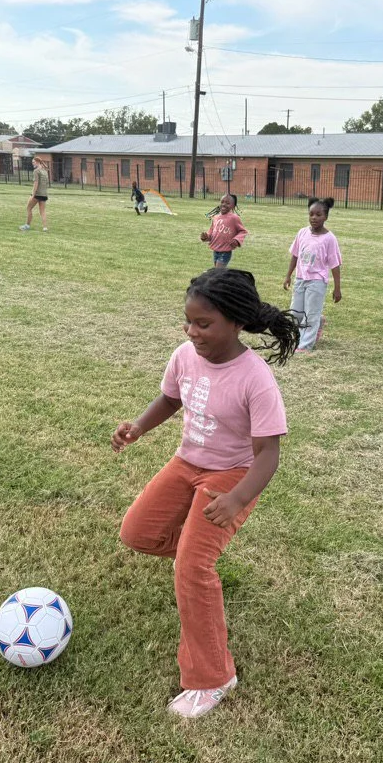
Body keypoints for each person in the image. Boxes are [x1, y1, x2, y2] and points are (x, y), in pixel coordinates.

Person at [112, 268, 299, 719]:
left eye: (203, 323)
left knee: (192, 566)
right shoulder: (184, 356)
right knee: (136, 533)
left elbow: (268, 454)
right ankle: (198, 567)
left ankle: (214, 677)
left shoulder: (254, 377)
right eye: (188, 321)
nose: (191, 331)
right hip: (187, 463)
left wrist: (237, 498)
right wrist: (138, 427)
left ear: (236, 322)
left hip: (233, 474)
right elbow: (170, 399)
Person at [282, 197, 342, 353]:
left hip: (317, 281)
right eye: (311, 214)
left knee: (311, 314)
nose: (314, 218)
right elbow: (295, 255)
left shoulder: (329, 238)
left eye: (318, 215)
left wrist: (337, 288)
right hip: (300, 278)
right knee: (295, 313)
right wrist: (288, 275)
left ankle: (305, 345)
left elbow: (335, 264)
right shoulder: (302, 233)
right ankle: (318, 323)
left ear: (326, 217)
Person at [200, 194, 247, 268]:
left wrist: (236, 240)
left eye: (227, 203)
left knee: (218, 271)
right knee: (219, 271)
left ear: (233, 206)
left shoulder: (234, 218)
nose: (224, 204)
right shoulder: (215, 217)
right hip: (216, 251)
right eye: (222, 202)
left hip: (225, 251)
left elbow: (242, 231)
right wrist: (206, 237)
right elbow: (211, 233)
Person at [19, 156, 49, 231]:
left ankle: (27, 226)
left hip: (37, 194)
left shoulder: (36, 171)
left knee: (28, 208)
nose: (32, 163)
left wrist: (33, 195)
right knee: (42, 211)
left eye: (33, 162)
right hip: (44, 194)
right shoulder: (45, 171)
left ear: (38, 162)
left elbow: (36, 183)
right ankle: (45, 227)